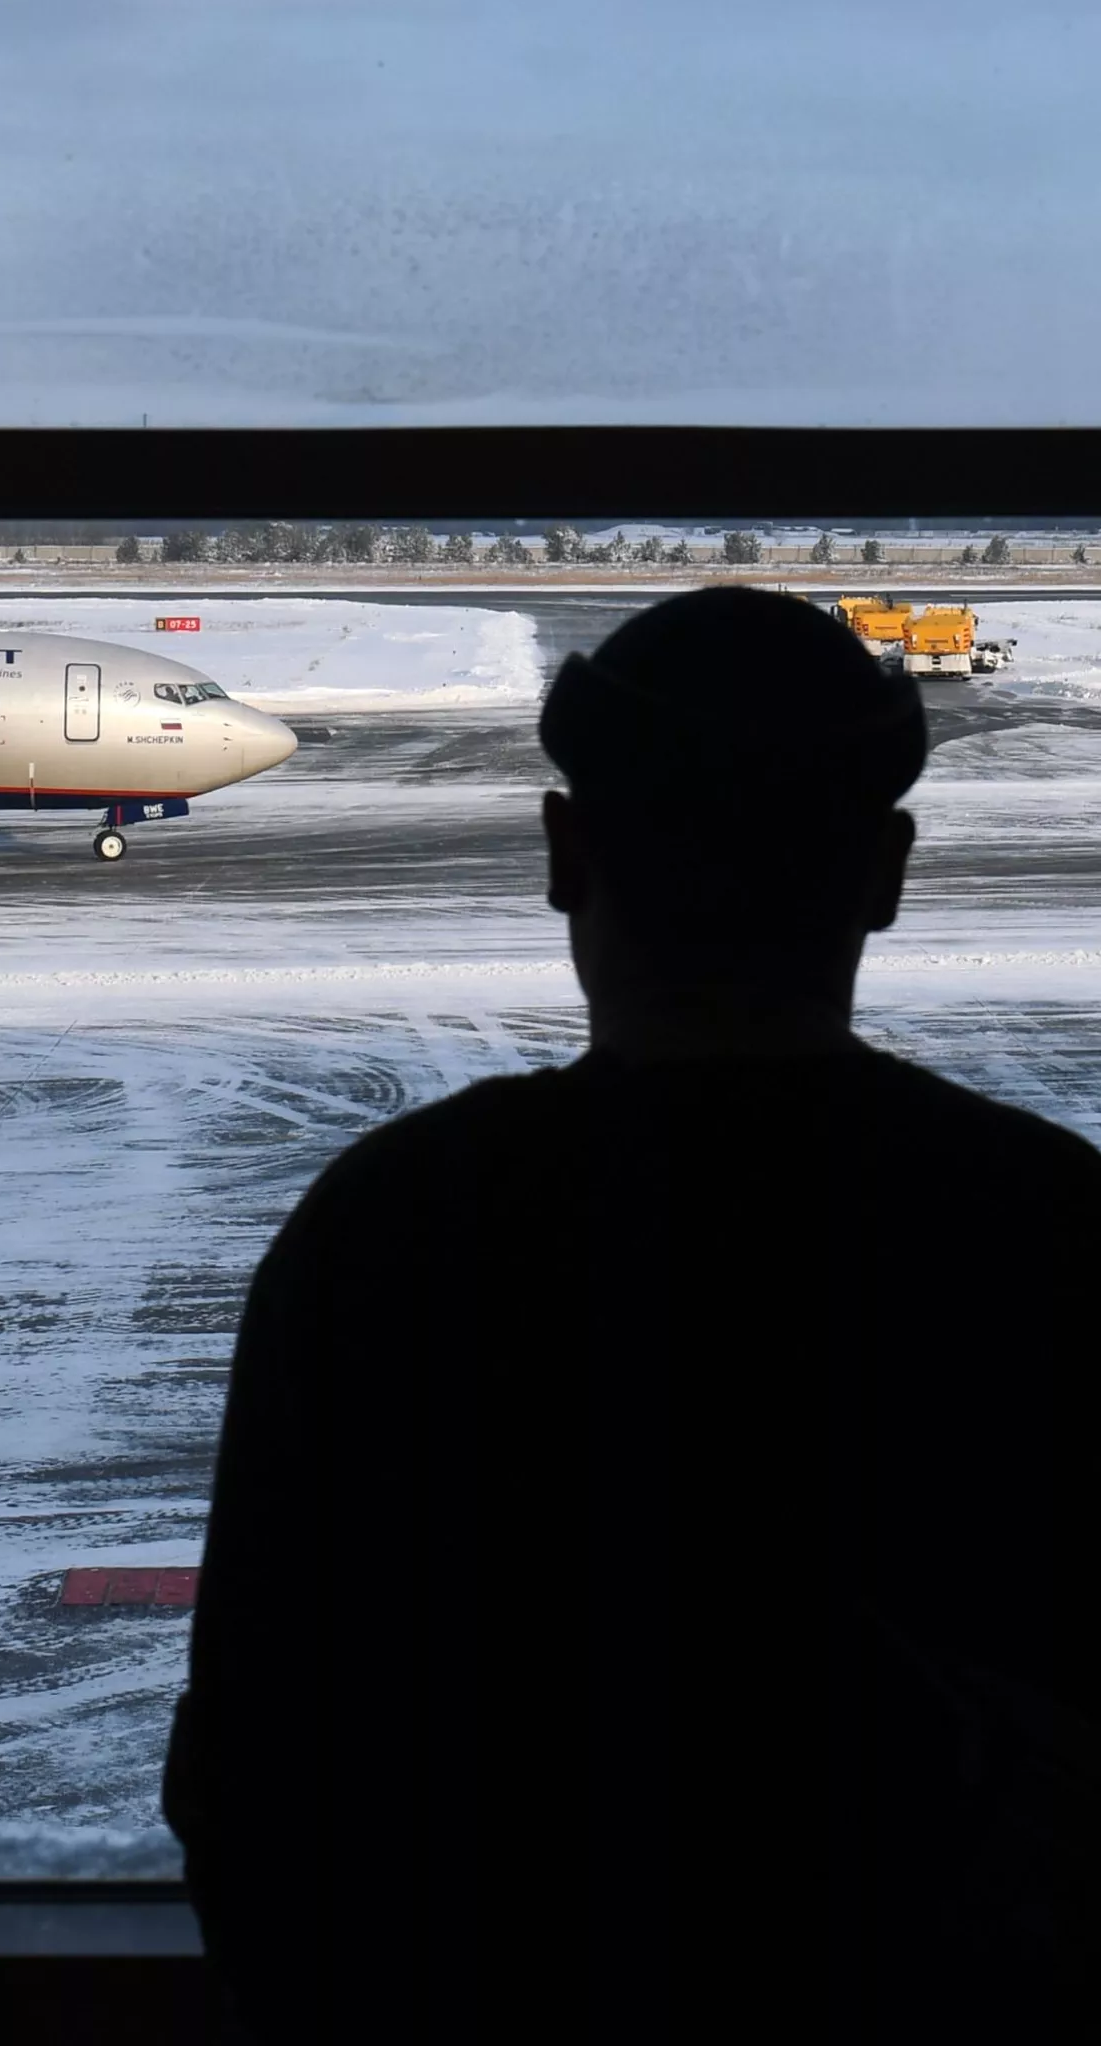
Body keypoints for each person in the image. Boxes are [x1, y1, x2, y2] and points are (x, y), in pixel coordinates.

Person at [162, 588, 1101, 2042]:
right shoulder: (1052, 1230)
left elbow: (253, 1783)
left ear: (565, 854)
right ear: (887, 875)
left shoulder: (393, 1232)